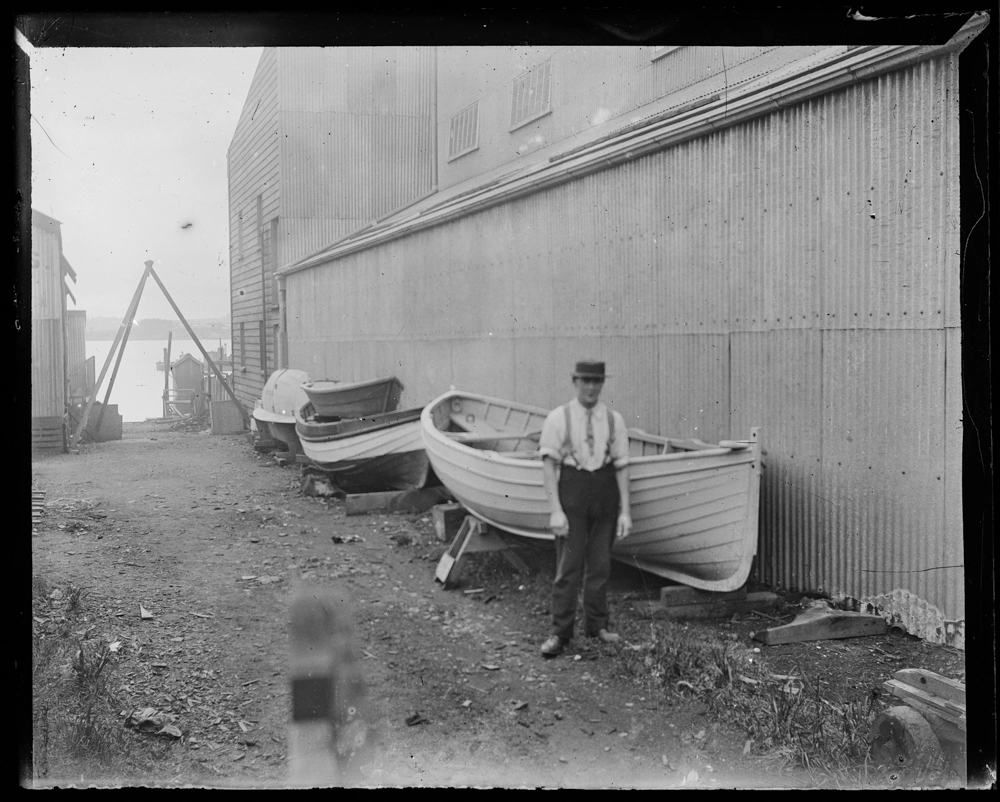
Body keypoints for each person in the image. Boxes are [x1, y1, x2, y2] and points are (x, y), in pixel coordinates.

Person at [538, 360, 631, 657]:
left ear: (602, 384)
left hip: (604, 494)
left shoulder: (614, 420)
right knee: (569, 566)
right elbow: (549, 466)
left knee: (600, 565)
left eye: (596, 381)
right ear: (575, 381)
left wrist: (625, 511)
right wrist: (555, 510)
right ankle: (560, 632)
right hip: (573, 493)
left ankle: (597, 625)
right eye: (585, 381)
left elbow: (621, 467)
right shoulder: (558, 418)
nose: (591, 387)